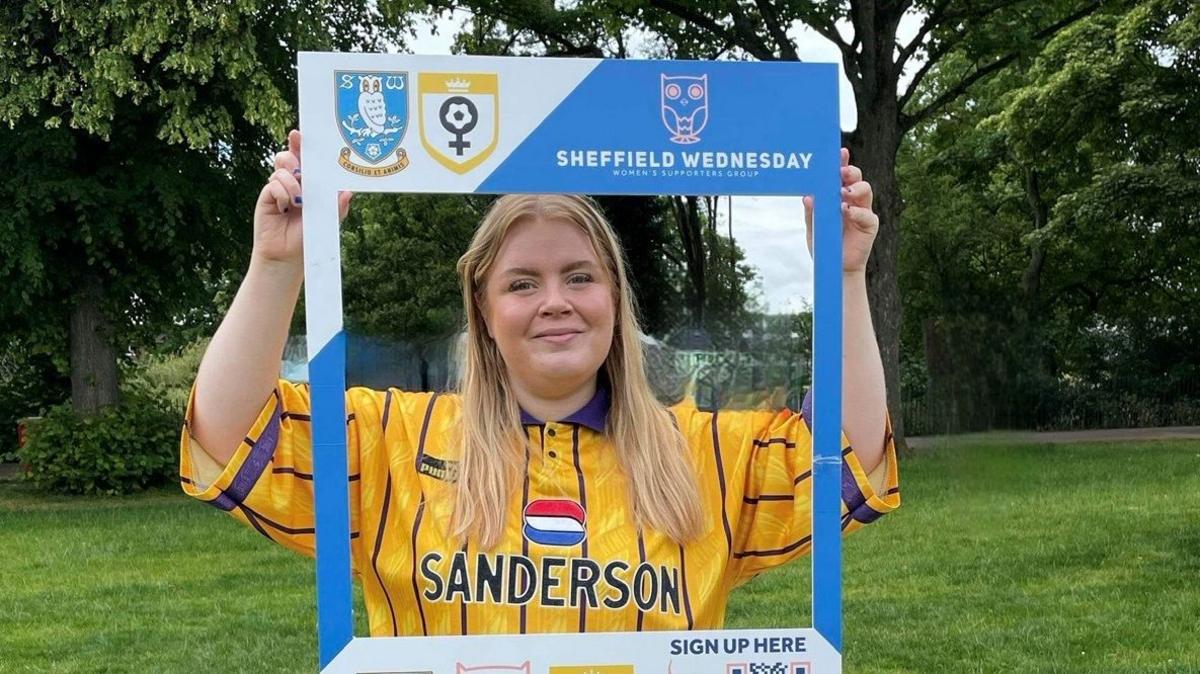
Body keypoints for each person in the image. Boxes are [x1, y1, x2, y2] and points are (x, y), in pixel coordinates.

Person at [180, 130, 900, 637]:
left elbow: (851, 456)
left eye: (579, 277)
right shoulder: (391, 441)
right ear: (486, 314)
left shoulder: (703, 454)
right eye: (523, 283)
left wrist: (842, 275)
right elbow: (228, 439)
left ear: (615, 302)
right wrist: (278, 266)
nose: (555, 300)